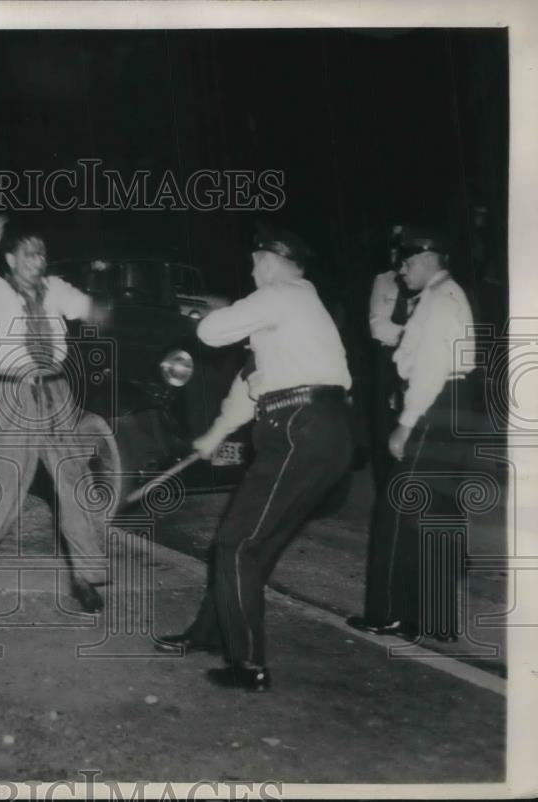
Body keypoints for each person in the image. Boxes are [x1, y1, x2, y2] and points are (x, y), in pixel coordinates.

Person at [155, 226, 353, 691]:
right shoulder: (300, 313)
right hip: (321, 431)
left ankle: (247, 667)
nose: (251, 271)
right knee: (249, 543)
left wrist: (217, 310)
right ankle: (210, 633)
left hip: (297, 430)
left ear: (269, 260)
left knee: (236, 544)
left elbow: (209, 331)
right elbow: (250, 389)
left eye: (254, 263)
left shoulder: (282, 294)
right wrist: (214, 436)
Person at [0, 215, 107, 613]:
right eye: (28, 254)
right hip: (11, 394)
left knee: (76, 484)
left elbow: (90, 308)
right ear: (9, 258)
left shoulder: (55, 289)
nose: (36, 260)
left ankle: (86, 577)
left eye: (41, 254)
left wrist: (100, 297)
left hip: (56, 391)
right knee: (5, 490)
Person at [347, 227, 476, 642]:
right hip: (456, 405)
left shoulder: (437, 301)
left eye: (406, 262)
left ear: (427, 258)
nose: (400, 270)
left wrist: (405, 424)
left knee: (397, 510)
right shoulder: (450, 294)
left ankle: (387, 613)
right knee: (437, 512)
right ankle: (435, 619)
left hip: (434, 405)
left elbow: (431, 368)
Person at [367, 225, 419, 493]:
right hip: (387, 361)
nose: (394, 256)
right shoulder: (383, 280)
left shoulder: (428, 286)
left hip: (418, 363)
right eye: (391, 249)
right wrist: (415, 334)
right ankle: (385, 486)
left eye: (399, 250)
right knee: (383, 424)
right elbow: (378, 327)